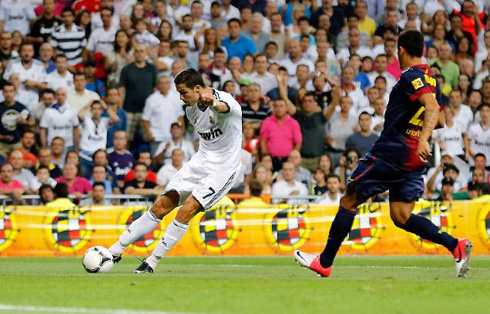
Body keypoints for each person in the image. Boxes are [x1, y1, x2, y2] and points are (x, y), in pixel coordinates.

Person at [294, 30, 472, 278]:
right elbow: (440, 119)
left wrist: (421, 138)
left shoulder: (411, 76)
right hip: (412, 159)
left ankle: (324, 262)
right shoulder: (433, 80)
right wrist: (418, 132)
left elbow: (432, 109)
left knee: (348, 200)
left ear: (400, 50)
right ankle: (456, 245)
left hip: (392, 152)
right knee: (401, 215)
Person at [108, 68, 242, 273]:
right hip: (200, 162)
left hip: (223, 169)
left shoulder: (226, 100)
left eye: (183, 92)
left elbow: (224, 108)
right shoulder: (190, 110)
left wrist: (212, 103)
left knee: (187, 208)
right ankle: (115, 249)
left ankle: (151, 262)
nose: (180, 97)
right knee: (162, 205)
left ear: (198, 88)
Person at [118, 43, 158, 143]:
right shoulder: (126, 69)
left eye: (142, 51)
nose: (139, 54)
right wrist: (120, 107)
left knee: (148, 139)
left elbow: (155, 88)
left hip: (147, 111)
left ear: (146, 53)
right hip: (130, 109)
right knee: (126, 140)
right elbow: (121, 89)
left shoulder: (152, 69)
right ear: (133, 53)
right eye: (137, 51)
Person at [142, 76, 184, 157]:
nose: (164, 85)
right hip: (157, 137)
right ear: (158, 85)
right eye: (161, 83)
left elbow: (180, 117)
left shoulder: (176, 98)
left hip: (173, 137)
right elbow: (145, 119)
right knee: (156, 162)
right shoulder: (151, 99)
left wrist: (182, 132)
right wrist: (149, 135)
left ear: (170, 85)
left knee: (174, 159)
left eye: (166, 83)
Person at [0, 83, 34, 159]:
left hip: (17, 142)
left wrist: (25, 122)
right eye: (6, 91)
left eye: (10, 91)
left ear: (15, 92)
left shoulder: (21, 107)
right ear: (2, 93)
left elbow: (32, 123)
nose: (8, 94)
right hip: (1, 144)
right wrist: (2, 137)